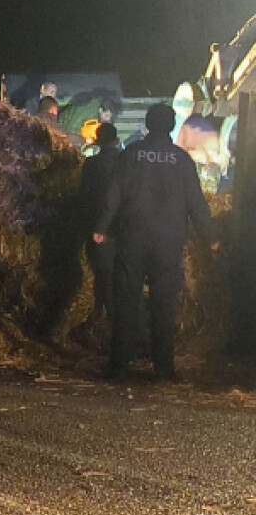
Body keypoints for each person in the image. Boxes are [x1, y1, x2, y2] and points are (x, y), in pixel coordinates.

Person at [93, 104, 219, 381]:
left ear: (148, 124)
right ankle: (163, 369)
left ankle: (119, 366)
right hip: (169, 241)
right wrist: (211, 238)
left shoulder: (131, 155)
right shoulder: (182, 160)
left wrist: (101, 228)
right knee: (164, 304)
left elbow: (112, 195)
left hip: (134, 237)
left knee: (126, 302)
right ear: (171, 126)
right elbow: (196, 202)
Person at [78, 123, 120, 326]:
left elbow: (84, 195)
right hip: (121, 226)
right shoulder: (125, 162)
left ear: (98, 141)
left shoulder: (91, 164)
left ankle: (106, 313)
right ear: (116, 140)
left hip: (98, 225)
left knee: (102, 271)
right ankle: (112, 316)